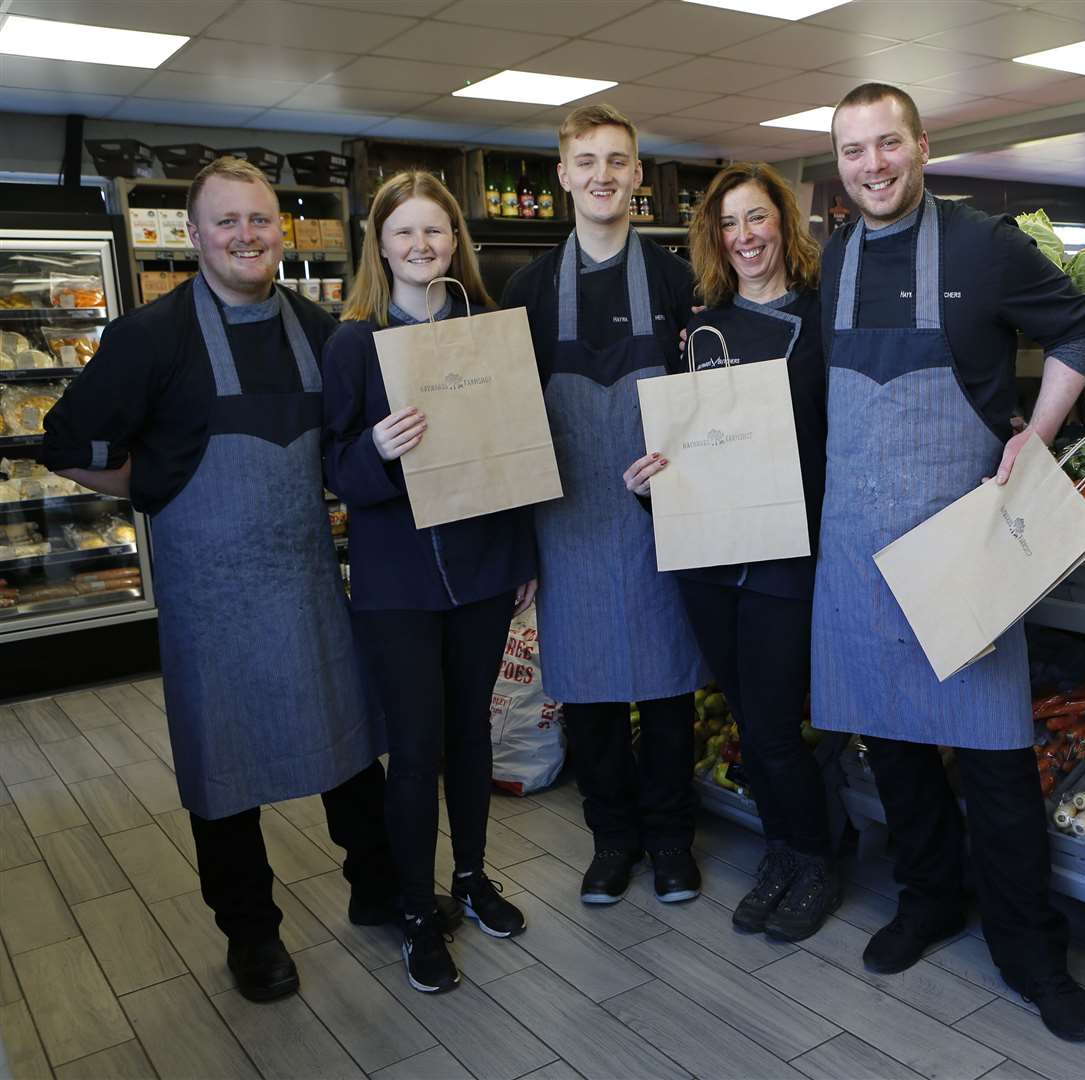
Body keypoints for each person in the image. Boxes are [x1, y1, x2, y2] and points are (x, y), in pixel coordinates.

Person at [39, 157, 452, 1004]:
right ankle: (251, 934)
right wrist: (150, 482)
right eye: (226, 222)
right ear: (193, 235)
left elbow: (358, 450)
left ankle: (377, 890)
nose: (247, 236)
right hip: (209, 599)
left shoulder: (322, 328)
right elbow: (67, 444)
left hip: (306, 582)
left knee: (349, 747)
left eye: (260, 220)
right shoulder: (148, 339)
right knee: (221, 770)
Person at [813, 84, 1085, 1042]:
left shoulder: (985, 247)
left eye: (887, 144)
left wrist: (1041, 436)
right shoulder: (834, 259)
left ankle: (1032, 953)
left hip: (963, 542)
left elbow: (1081, 330)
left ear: (921, 146)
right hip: (861, 546)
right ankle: (928, 897)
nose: (873, 165)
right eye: (854, 150)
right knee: (893, 745)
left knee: (993, 758)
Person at [322, 170, 536, 994]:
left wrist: (521, 558)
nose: (422, 246)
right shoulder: (352, 342)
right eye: (404, 233)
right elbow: (334, 467)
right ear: (380, 245)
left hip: (483, 569)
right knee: (414, 753)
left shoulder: (486, 330)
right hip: (398, 583)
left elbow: (517, 451)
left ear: (456, 242)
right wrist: (375, 449)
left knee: (471, 735)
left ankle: (473, 878)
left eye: (436, 232)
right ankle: (417, 909)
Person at [622, 163, 837, 941]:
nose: (746, 237)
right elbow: (691, 442)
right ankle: (783, 851)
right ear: (716, 239)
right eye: (730, 225)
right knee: (749, 716)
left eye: (758, 218)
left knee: (776, 727)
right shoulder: (700, 327)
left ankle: (811, 858)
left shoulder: (822, 319)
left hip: (787, 550)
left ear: (784, 221)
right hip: (712, 556)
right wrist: (650, 480)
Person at [503, 105, 708, 906]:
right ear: (562, 174)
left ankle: (670, 841)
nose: (601, 175)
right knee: (586, 695)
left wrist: (684, 470)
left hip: (661, 519)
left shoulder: (676, 280)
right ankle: (611, 841)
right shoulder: (525, 289)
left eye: (617, 161)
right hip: (566, 525)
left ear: (637, 176)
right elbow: (507, 430)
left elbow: (710, 405)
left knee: (665, 692)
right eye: (585, 161)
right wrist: (518, 544)